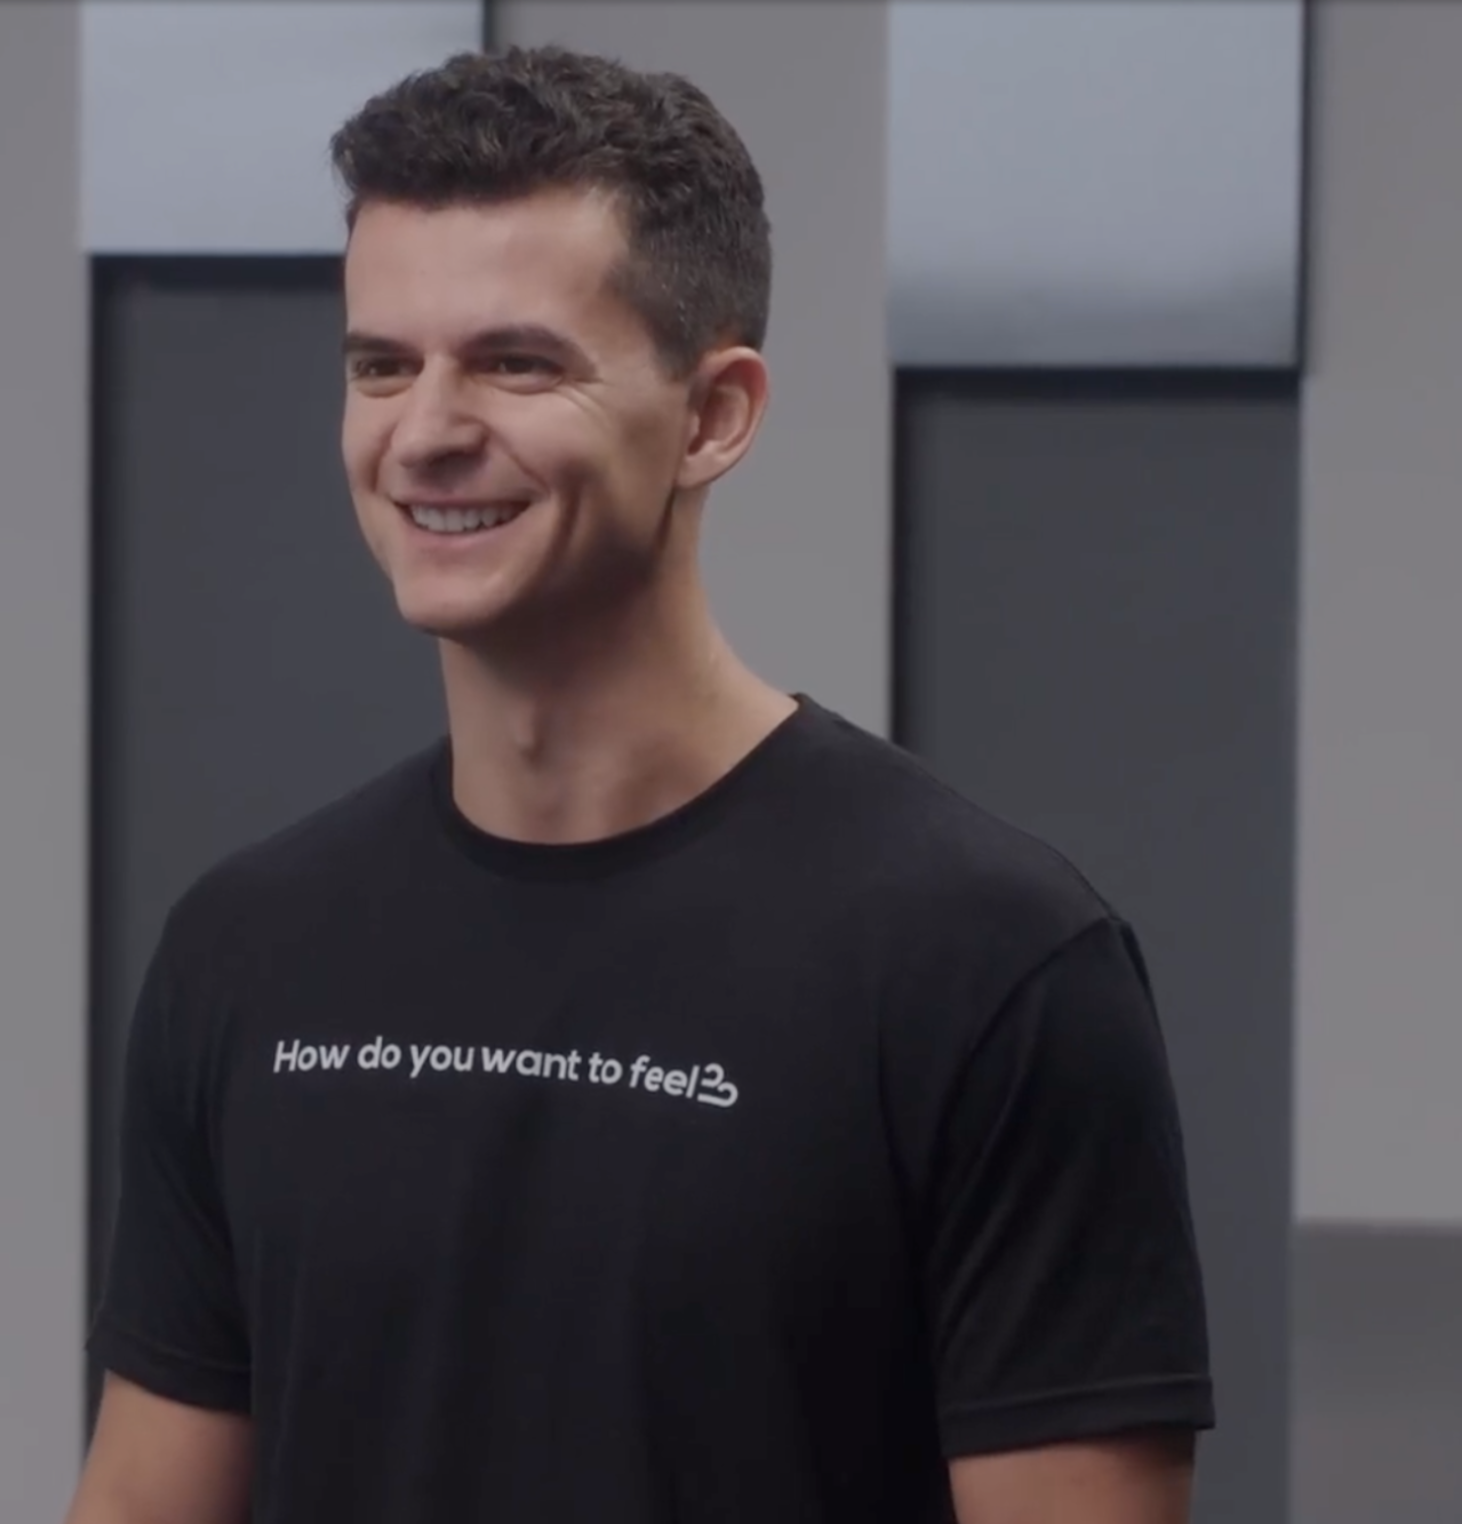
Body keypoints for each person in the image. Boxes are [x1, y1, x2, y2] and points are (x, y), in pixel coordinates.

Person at [64, 43, 1214, 1524]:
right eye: (381, 365)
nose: (426, 432)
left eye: (516, 363)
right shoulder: (246, 952)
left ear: (713, 414)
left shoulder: (988, 965)